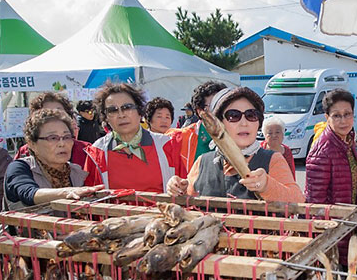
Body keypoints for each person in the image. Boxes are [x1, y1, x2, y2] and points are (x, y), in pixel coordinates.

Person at [167, 87, 303, 202]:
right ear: (220, 123)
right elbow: (189, 203)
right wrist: (179, 189)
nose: (244, 123)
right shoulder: (203, 162)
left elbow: (298, 200)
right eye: (233, 115)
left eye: (251, 115)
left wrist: (267, 185)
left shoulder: (273, 160)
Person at [84, 83, 184, 192]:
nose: (121, 115)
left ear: (140, 112)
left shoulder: (167, 146)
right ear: (106, 117)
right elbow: (90, 198)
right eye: (113, 110)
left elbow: (185, 190)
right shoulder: (97, 152)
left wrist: (179, 186)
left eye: (127, 107)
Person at [306, 89, 357, 266]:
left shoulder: (347, 140)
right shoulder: (323, 150)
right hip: (333, 236)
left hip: (348, 227)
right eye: (336, 116)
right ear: (326, 117)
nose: (343, 121)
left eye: (347, 114)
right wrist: (324, 242)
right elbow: (315, 203)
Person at [4, 109, 101, 209]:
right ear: (32, 144)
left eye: (67, 137)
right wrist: (67, 192)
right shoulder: (20, 167)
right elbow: (28, 193)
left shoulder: (76, 171)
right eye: (53, 138)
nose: (62, 144)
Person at [15, 92, 90, 168]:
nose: (54, 117)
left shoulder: (87, 151)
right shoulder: (25, 151)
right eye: (46, 114)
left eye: (59, 113)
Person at [174, 81, 227, 175]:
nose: (219, 109)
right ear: (199, 110)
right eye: (213, 105)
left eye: (223, 104)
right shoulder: (182, 138)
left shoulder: (238, 134)